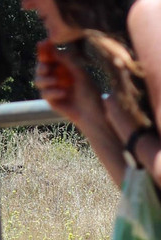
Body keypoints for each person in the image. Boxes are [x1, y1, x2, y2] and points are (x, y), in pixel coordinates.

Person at [26, 0, 161, 186]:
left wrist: (135, 135)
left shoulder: (151, 15)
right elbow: (147, 207)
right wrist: (88, 115)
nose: (27, 4)